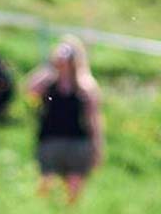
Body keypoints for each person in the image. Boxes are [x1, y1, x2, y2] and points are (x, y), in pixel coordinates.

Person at [25, 35, 104, 203]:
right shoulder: (49, 80)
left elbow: (94, 119)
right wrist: (51, 65)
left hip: (77, 143)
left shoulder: (85, 84)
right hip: (50, 140)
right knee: (46, 184)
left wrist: (97, 147)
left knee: (74, 188)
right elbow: (30, 89)